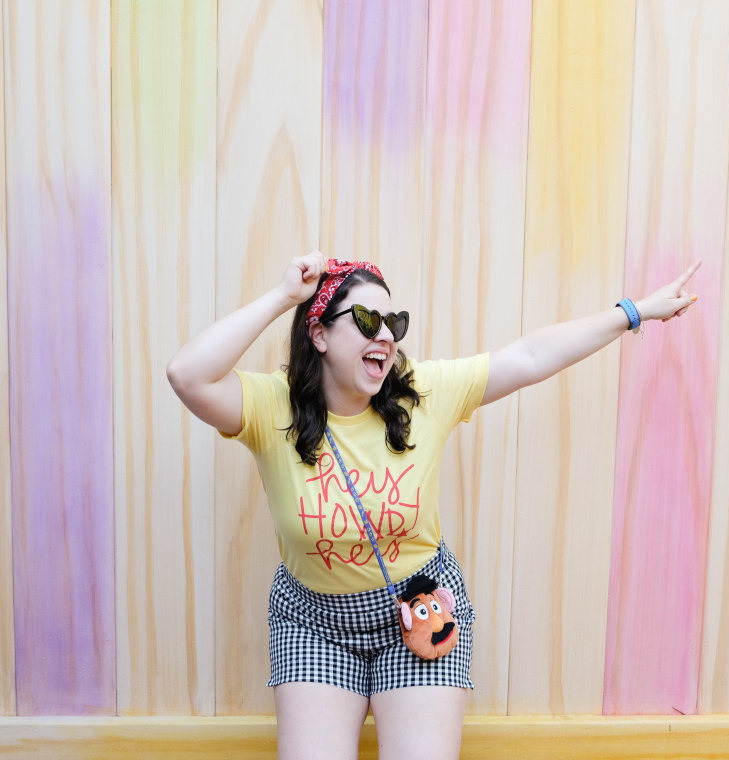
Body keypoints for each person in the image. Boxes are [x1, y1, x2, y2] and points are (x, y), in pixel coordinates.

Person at [166, 251, 699, 760]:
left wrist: (634, 312)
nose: (385, 336)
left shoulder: (422, 393)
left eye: (393, 322)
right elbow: (186, 374)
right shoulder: (269, 406)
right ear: (320, 332)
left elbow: (531, 356)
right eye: (367, 318)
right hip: (314, 621)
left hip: (421, 608)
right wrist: (286, 295)